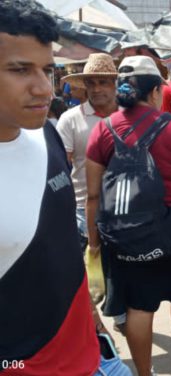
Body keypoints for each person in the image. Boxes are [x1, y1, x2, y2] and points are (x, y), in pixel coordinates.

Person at [86, 56, 171, 376]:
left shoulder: (103, 129)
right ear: (156, 91)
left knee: (138, 304)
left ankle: (145, 374)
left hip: (125, 229)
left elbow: (93, 195)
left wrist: (95, 241)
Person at [0, 0, 104, 374]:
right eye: (20, 70)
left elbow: (58, 245)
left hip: (84, 355)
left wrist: (93, 319)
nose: (45, 88)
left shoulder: (46, 135)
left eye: (47, 69)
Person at [57, 53, 119, 253]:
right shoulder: (70, 120)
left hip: (126, 206)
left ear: (114, 83)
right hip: (84, 209)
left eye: (103, 82)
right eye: (91, 83)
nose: (97, 88)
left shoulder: (130, 115)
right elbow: (60, 167)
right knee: (91, 277)